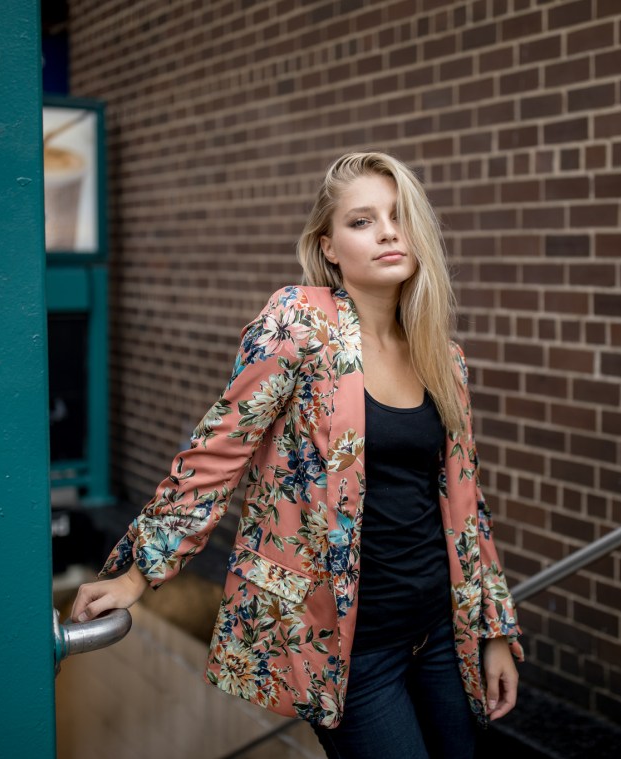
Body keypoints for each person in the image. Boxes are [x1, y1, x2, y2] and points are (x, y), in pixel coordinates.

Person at [71, 151, 523, 759]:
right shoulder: (299, 323)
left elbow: (468, 506)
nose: (389, 232)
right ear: (329, 246)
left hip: (443, 632)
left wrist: (493, 630)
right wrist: (137, 570)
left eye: (399, 216)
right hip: (347, 647)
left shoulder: (442, 355)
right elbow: (219, 451)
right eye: (362, 221)